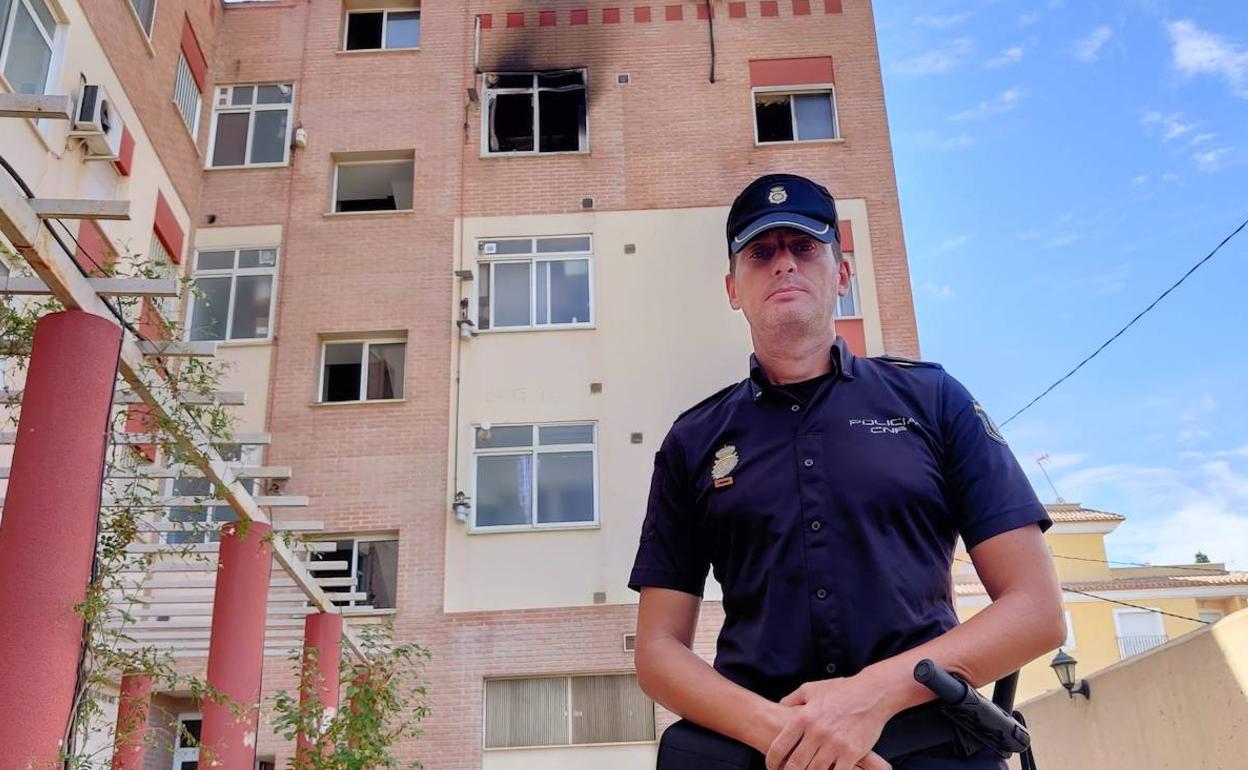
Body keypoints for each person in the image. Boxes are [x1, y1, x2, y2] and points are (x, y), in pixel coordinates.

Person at [628, 173, 1066, 770]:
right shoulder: (693, 440)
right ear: (734, 287)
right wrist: (786, 733)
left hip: (929, 743)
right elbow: (657, 650)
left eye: (805, 247)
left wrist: (868, 699)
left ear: (841, 274)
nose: (784, 264)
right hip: (758, 750)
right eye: (761, 252)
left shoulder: (933, 400)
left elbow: (1037, 611)